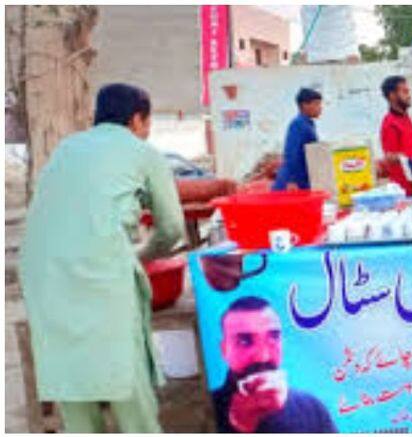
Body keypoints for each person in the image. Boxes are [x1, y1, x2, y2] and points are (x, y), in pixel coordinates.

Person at [20, 83, 185, 432]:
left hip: (40, 269)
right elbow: (172, 228)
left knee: (70, 372)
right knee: (123, 374)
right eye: (147, 121)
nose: (148, 129)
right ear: (137, 119)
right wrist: (143, 254)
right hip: (100, 268)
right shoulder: (144, 153)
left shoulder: (67, 149)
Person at [212, 296, 337, 433]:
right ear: (224, 350)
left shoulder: (311, 409)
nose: (263, 357)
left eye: (273, 337)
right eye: (245, 341)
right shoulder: (208, 408)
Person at [272, 88, 323, 191]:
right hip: (292, 184)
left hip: (302, 180)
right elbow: (291, 154)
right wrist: (292, 181)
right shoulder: (298, 124)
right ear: (305, 105)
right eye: (316, 104)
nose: (320, 108)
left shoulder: (308, 124)